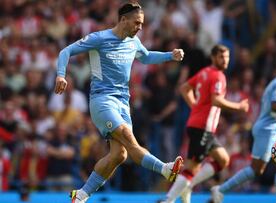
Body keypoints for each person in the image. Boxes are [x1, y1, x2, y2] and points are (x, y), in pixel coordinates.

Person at [54, 2, 185, 203]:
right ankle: (165, 169)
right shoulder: (100, 38)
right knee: (127, 136)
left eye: (141, 24)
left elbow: (147, 57)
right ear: (123, 19)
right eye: (137, 23)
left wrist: (170, 55)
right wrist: (61, 76)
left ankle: (81, 195)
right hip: (102, 100)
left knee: (119, 155)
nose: (140, 27)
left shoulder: (133, 42)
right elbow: (65, 52)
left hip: (123, 102)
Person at [210, 55, 276, 203]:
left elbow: (272, 107)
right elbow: (275, 106)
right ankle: (221, 190)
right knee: (257, 169)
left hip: (271, 129)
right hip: (267, 130)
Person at [160, 45, 249, 203]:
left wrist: (195, 105)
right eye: (221, 57)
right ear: (213, 57)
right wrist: (239, 107)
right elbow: (216, 100)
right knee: (192, 168)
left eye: (227, 57)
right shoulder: (218, 76)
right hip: (203, 127)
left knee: (223, 159)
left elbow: (185, 88)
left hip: (200, 126)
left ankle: (186, 187)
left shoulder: (204, 73)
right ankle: (169, 199)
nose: (225, 60)